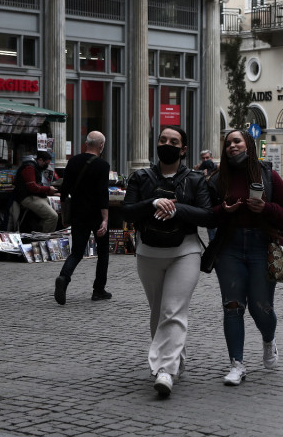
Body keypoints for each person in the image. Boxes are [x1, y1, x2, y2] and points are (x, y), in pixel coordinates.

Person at [122, 126, 212, 397]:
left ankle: (164, 370)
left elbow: (207, 215)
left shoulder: (195, 179)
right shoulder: (141, 177)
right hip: (148, 252)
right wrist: (153, 202)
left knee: (173, 309)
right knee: (158, 311)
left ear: (184, 149)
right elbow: (126, 212)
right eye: (163, 140)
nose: (167, 144)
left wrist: (175, 208)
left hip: (185, 252)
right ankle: (175, 358)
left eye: (174, 142)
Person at [207, 129, 283, 386]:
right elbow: (207, 214)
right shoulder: (216, 179)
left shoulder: (267, 174)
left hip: (261, 246)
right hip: (229, 248)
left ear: (249, 145)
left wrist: (265, 207)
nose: (232, 146)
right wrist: (223, 209)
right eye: (228, 143)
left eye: (237, 141)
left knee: (261, 307)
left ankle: (268, 340)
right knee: (233, 306)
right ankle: (237, 364)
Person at [55, 131, 112, 305]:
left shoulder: (72, 161)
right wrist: (104, 220)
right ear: (101, 146)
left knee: (77, 252)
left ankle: (64, 277)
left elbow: (63, 192)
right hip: (95, 214)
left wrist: (65, 215)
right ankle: (98, 290)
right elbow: (103, 194)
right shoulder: (102, 165)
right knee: (103, 252)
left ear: (86, 144)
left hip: (78, 213)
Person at [12, 150, 59, 232]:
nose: (46, 166)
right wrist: (48, 189)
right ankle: (44, 239)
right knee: (52, 216)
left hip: (33, 196)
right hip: (28, 197)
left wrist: (51, 192)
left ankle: (40, 230)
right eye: (46, 163)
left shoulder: (35, 167)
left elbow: (37, 186)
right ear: (40, 160)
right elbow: (33, 187)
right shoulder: (29, 168)